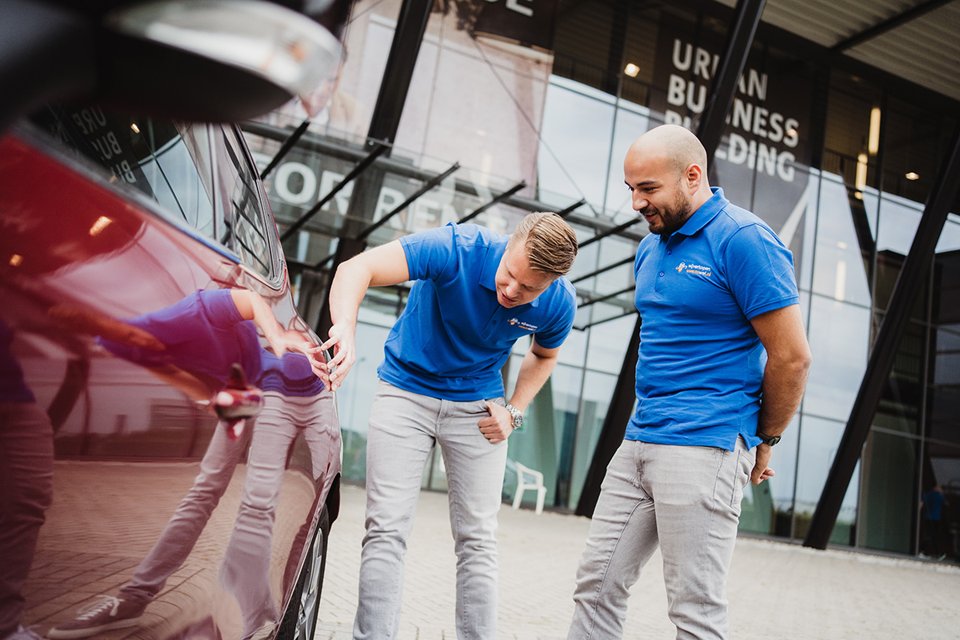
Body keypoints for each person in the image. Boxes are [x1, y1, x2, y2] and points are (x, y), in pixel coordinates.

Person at [567, 125, 812, 640]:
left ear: (692, 176)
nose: (636, 202)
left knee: (694, 610)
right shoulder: (650, 248)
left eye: (648, 188)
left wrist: (764, 440)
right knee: (597, 585)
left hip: (706, 442)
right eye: (630, 188)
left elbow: (791, 358)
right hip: (639, 439)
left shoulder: (744, 240)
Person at [317, 213, 578, 639]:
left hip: (477, 407)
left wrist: (513, 411)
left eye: (528, 288)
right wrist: (345, 326)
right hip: (405, 391)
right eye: (510, 275)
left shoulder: (558, 303)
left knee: (478, 540)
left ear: (550, 283)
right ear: (509, 244)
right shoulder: (457, 248)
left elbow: (544, 356)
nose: (511, 291)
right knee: (386, 528)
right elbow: (355, 268)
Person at [46, 289, 336, 639]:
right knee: (204, 490)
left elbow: (250, 300)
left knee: (257, 502)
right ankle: (134, 599)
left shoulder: (191, 311)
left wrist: (275, 337)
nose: (129, 338)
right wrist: (205, 395)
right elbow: (169, 371)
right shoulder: (120, 343)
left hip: (270, 379)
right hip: (239, 392)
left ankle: (247, 614)